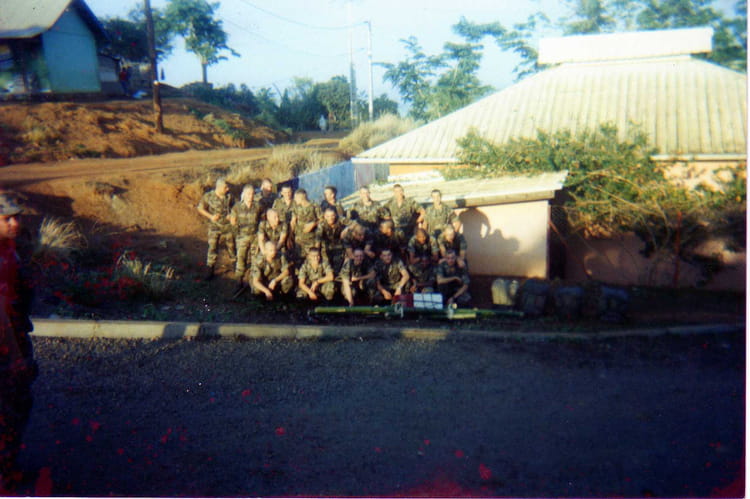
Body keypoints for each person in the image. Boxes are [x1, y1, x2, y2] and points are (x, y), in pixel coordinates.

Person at [0, 193, 37, 489]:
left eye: (17, 217)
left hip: (13, 337)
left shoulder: (10, 250)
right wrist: (15, 357)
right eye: (6, 218)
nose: (14, 223)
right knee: (10, 409)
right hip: (5, 346)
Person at [196, 178, 235, 280]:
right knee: (212, 247)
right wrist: (210, 216)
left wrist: (231, 215)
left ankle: (236, 267)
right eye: (225, 187)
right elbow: (200, 208)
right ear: (219, 187)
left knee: (232, 247)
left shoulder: (229, 196)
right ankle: (210, 269)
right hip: (214, 227)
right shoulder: (208, 196)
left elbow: (235, 207)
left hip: (227, 226)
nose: (227, 189)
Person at [229, 184, 263, 281]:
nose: (250, 196)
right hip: (242, 237)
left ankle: (253, 281)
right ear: (243, 194)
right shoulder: (237, 207)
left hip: (255, 237)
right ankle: (239, 280)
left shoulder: (258, 206)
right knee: (241, 259)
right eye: (248, 194)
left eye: (252, 194)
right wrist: (238, 234)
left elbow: (262, 219)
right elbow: (233, 222)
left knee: (255, 259)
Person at [290, 189, 321, 261]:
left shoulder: (314, 206)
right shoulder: (296, 207)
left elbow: (322, 219)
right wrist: (290, 236)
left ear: (302, 197)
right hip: (299, 240)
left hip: (311, 240)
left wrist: (313, 224)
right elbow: (293, 221)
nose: (294, 199)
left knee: (312, 259)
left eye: (296, 198)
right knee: (299, 260)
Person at [316, 207, 346, 274]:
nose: (330, 218)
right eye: (328, 216)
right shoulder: (322, 225)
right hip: (326, 249)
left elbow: (354, 224)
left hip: (338, 248)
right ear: (325, 216)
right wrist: (317, 253)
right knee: (327, 268)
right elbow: (318, 239)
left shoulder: (340, 220)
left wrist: (346, 230)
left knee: (338, 268)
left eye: (332, 215)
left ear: (336, 215)